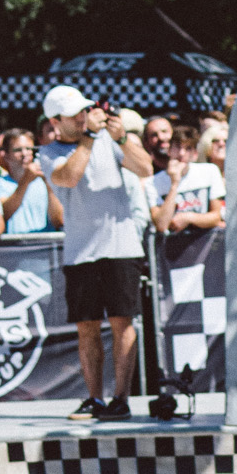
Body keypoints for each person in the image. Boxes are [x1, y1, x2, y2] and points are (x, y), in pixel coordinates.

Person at [39, 85, 153, 423]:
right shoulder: (48, 152)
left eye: (84, 110)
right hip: (81, 251)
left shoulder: (107, 141)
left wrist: (121, 140)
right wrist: (89, 137)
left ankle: (121, 398)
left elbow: (146, 169)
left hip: (121, 246)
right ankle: (93, 398)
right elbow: (69, 177)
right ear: (55, 121)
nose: (82, 116)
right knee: (87, 328)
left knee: (123, 322)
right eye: (74, 113)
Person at [147, 123, 226, 232]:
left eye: (188, 148)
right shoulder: (153, 182)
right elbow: (161, 225)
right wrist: (174, 184)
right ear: (169, 150)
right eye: (177, 147)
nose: (181, 153)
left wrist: (189, 217)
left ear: (195, 154)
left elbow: (216, 217)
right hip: (173, 246)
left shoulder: (209, 171)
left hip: (204, 243)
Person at [0, 129, 63, 235]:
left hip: (44, 247)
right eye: (18, 150)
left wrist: (48, 184)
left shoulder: (44, 181)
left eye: (28, 149)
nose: (24, 153)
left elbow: (59, 220)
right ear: (6, 155)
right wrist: (25, 181)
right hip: (12, 248)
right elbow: (4, 213)